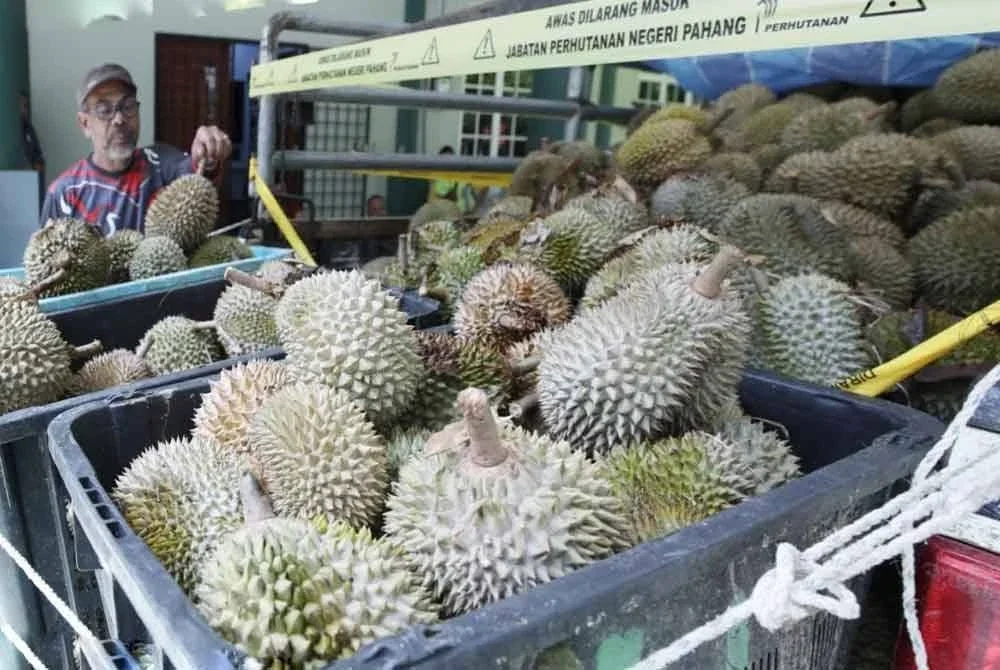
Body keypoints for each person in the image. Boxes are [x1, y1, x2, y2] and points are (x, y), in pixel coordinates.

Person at [40, 63, 232, 236]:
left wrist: (207, 153)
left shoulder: (160, 167)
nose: (119, 119)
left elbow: (194, 172)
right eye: (105, 110)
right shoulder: (64, 193)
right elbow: (46, 259)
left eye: (128, 106)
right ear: (85, 124)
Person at [20, 91, 45, 208]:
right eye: (22, 106)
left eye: (26, 106)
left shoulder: (28, 127)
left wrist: (38, 162)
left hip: (34, 175)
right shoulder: (17, 129)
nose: (24, 110)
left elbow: (36, 149)